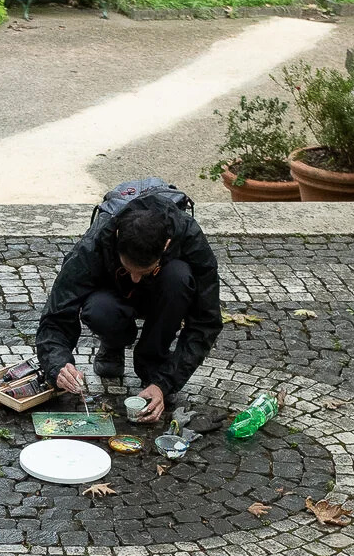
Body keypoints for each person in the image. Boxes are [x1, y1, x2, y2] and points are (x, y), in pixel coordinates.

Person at [34, 179, 223, 425]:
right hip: (111, 299)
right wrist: (58, 364)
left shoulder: (189, 237)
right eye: (128, 268)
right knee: (99, 309)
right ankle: (112, 345)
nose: (135, 278)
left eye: (144, 271)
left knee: (179, 277)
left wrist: (163, 384)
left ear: (166, 245)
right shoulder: (94, 243)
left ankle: (153, 366)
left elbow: (206, 322)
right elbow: (57, 314)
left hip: (166, 295)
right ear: (117, 236)